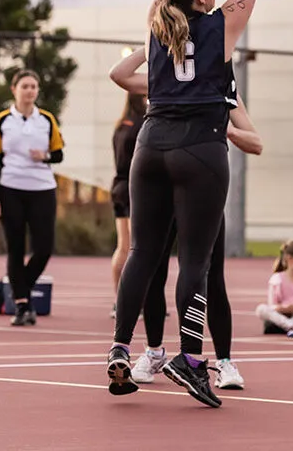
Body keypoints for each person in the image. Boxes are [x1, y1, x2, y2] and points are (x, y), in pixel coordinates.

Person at [108, 0, 281, 408]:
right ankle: (188, 359)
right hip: (200, 148)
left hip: (150, 144)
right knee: (196, 263)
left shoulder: (157, 21)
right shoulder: (223, 25)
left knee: (140, 254)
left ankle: (118, 349)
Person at [109, 45, 261, 391]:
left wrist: (227, 131)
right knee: (153, 269)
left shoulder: (223, 89)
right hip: (164, 185)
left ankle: (223, 360)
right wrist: (144, 47)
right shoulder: (166, 79)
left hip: (202, 192)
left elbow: (257, 142)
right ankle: (153, 351)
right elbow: (119, 75)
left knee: (211, 275)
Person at [0, 70, 64, 326]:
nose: (30, 91)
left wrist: (46, 157)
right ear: (14, 89)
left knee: (44, 248)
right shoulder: (1, 120)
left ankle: (20, 290)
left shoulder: (47, 120)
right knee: (15, 249)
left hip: (42, 188)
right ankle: (21, 306)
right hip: (10, 188)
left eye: (34, 86)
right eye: (25, 86)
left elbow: (59, 154)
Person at [109, 91, 147, 318]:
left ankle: (118, 301)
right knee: (138, 248)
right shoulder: (142, 124)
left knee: (124, 247)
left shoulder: (121, 124)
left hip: (118, 187)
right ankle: (135, 302)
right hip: (134, 188)